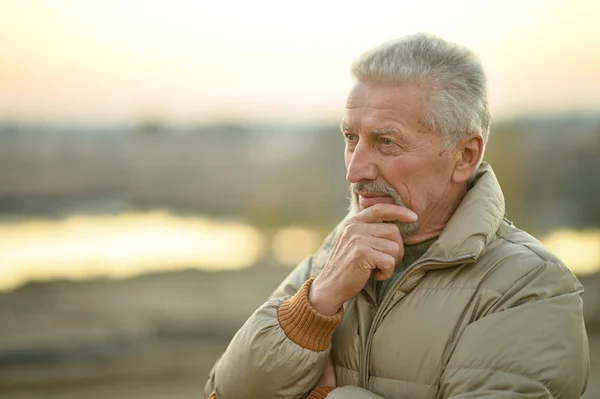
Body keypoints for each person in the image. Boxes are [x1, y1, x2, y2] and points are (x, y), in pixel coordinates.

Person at [204, 33, 590, 399]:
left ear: (465, 155)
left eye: (385, 141)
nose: (355, 171)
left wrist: (328, 396)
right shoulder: (336, 256)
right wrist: (317, 303)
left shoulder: (530, 288)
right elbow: (220, 393)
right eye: (350, 138)